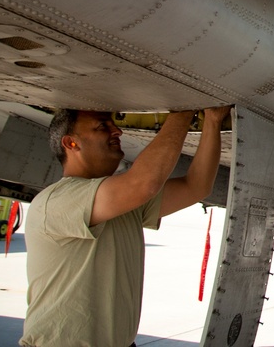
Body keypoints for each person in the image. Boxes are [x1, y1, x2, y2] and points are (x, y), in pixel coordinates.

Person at [20, 106, 231, 347]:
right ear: (71, 143)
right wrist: (183, 110)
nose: (117, 130)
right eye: (102, 126)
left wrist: (212, 121)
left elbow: (196, 186)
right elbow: (144, 184)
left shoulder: (117, 203)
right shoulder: (58, 201)